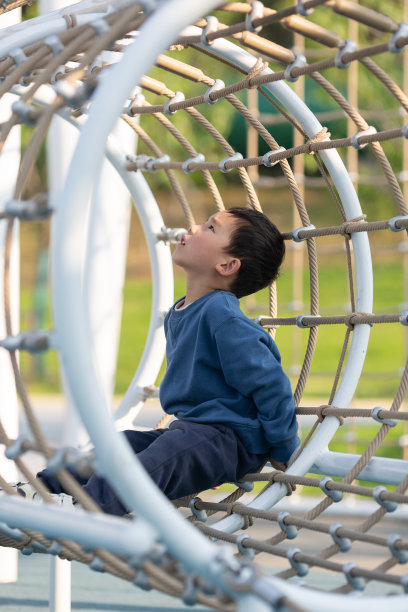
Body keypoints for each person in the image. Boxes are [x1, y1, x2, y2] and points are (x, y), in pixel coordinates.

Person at [11, 207, 299, 515]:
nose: (194, 226)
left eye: (210, 228)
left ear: (227, 265)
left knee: (159, 459)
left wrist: (282, 446)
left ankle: (87, 508)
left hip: (229, 441)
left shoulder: (222, 315)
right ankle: (40, 491)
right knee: (117, 448)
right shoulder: (186, 309)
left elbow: (270, 383)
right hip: (194, 431)